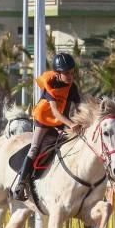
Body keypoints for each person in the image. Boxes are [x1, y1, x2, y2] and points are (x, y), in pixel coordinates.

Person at [14, 53, 82, 201]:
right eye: (66, 73)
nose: (70, 76)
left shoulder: (72, 87)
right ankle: (21, 183)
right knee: (34, 147)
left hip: (63, 121)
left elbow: (79, 107)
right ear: (57, 74)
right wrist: (71, 124)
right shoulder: (51, 85)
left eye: (71, 72)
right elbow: (56, 113)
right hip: (44, 119)